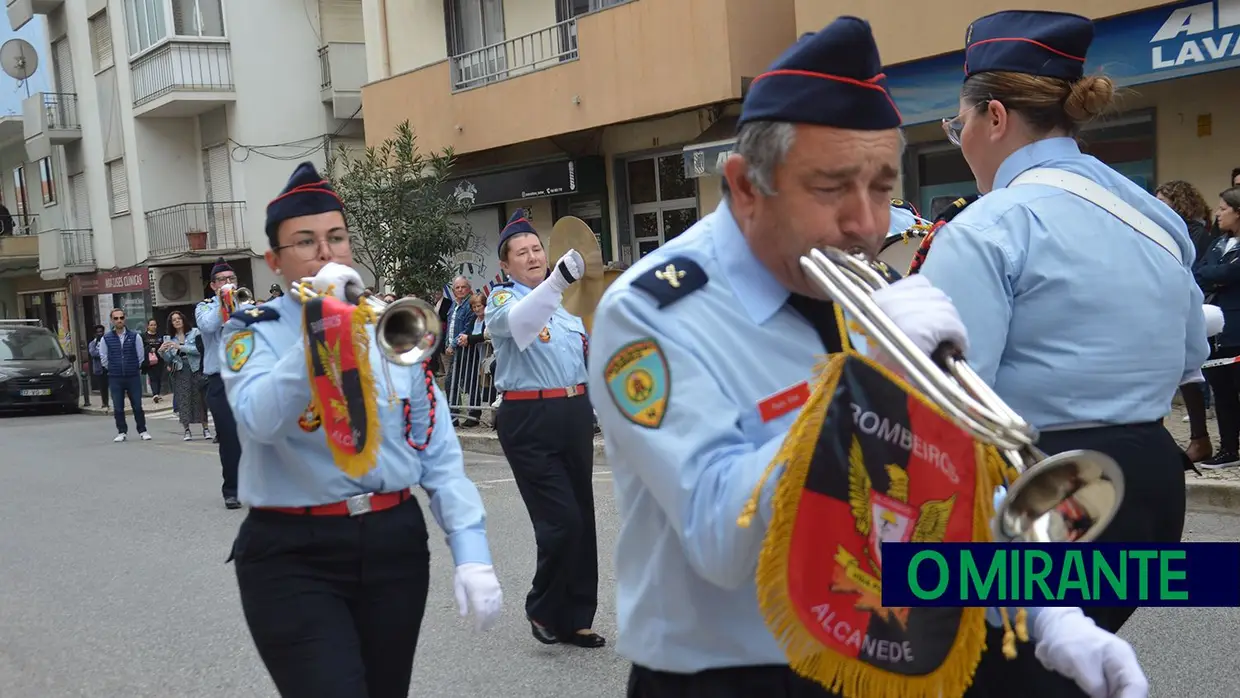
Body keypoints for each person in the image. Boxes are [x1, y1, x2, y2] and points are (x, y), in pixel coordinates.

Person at [587, 16, 1147, 698]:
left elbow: (945, 484)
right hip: (729, 676)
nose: (866, 225)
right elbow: (720, 542)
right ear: (743, 186)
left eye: (882, 187)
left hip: (879, 652)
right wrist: (868, 387)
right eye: (831, 188)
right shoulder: (650, 314)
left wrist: (1052, 616)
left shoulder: (866, 287)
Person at [916, 9, 1200, 695]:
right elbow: (1190, 355)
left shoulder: (990, 226)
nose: (961, 145)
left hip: (1044, 487)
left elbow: (947, 406)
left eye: (956, 128)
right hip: (1153, 492)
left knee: (998, 676)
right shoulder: (1153, 213)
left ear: (993, 116)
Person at [221, 161, 503, 698]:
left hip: (390, 542)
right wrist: (324, 327)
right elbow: (259, 420)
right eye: (305, 242)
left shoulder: (392, 327)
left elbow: (437, 454)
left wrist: (472, 552)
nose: (325, 253)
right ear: (275, 261)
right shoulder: (251, 332)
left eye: (336, 238)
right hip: (292, 550)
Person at [485, 208, 603, 648]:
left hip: (573, 414)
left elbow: (586, 365)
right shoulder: (503, 300)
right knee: (561, 521)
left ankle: (576, 618)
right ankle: (542, 606)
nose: (533, 257)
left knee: (583, 519)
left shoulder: (569, 309)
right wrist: (557, 281)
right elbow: (520, 325)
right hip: (528, 419)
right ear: (506, 264)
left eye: (537, 249)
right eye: (522, 252)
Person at [1155, 180, 1216, 463]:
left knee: (1187, 377)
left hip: (1187, 305)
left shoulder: (1192, 233)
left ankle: (1199, 437)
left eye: (1163, 202)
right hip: (1169, 304)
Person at [196, 257, 248, 510]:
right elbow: (207, 327)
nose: (228, 283)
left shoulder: (244, 301)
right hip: (219, 379)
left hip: (246, 376)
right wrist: (224, 302)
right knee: (229, 436)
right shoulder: (204, 308)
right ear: (212, 285)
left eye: (232, 279)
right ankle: (232, 489)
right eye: (223, 280)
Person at [1195, 187, 1240, 469]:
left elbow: (1231, 273)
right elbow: (1200, 271)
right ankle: (1228, 448)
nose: (1218, 213)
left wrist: (1218, 275)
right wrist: (1219, 276)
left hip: (1237, 324)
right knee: (1221, 391)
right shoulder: (1216, 244)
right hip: (1215, 326)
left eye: (1224, 208)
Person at [98, 308, 151, 443]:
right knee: (118, 406)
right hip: (115, 377)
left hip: (132, 375)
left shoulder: (134, 336)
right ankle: (121, 431)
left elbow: (140, 356)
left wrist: (133, 367)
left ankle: (142, 430)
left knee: (137, 405)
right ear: (112, 320)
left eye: (121, 317)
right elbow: (103, 357)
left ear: (124, 318)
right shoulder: (106, 338)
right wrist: (112, 368)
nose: (119, 320)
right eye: (116, 318)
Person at [159, 310, 210, 441]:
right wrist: (162, 352)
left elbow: (199, 349)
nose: (176, 321)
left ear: (183, 320)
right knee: (183, 400)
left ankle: (205, 428)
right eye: (173, 320)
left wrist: (180, 346)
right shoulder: (170, 338)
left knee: (200, 399)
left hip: (196, 368)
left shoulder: (195, 332)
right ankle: (187, 430)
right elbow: (169, 358)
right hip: (180, 371)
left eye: (178, 318)